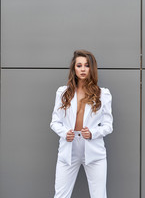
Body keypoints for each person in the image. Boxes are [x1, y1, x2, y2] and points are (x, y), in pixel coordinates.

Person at [50, 50, 113, 198]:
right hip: (68, 148)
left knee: (99, 195)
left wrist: (92, 133)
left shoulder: (102, 94)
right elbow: (54, 122)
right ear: (74, 68)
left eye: (87, 65)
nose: (83, 69)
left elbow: (108, 125)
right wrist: (65, 132)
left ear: (92, 68)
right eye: (79, 65)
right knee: (60, 195)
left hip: (94, 149)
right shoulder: (63, 92)